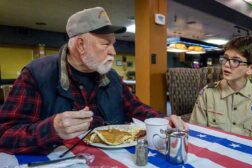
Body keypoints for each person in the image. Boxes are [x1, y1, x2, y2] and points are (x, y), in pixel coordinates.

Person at [0, 7, 186, 154]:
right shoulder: (36, 74)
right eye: (106, 44)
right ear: (80, 45)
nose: (113, 51)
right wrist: (52, 129)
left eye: (113, 44)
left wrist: (164, 119)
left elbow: (136, 108)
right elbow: (5, 135)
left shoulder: (111, 77)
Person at [190, 36, 252, 142]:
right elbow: (196, 133)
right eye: (225, 58)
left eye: (235, 61)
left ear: (250, 69)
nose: (226, 65)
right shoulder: (208, 93)